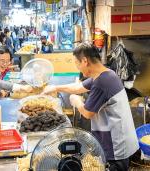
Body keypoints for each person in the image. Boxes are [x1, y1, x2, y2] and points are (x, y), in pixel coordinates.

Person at [42, 43, 139, 171]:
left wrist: (76, 101)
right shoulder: (106, 74)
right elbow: (79, 87)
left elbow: (87, 113)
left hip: (115, 146)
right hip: (120, 140)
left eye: (77, 64)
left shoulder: (102, 82)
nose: (78, 68)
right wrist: (55, 87)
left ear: (85, 61)